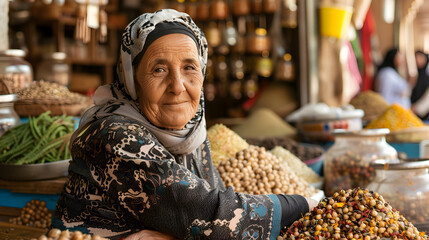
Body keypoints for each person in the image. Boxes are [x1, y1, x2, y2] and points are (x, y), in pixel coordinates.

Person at [53, 9, 318, 240]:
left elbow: (202, 219)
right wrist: (305, 204)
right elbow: (205, 212)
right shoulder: (115, 136)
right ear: (132, 80)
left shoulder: (191, 132)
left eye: (190, 67)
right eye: (159, 69)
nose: (178, 87)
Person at [410, 51, 429, 120]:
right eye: (416, 57)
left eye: (420, 57)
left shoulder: (426, 77)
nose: (417, 60)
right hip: (410, 110)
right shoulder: (415, 75)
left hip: (422, 113)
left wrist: (417, 108)